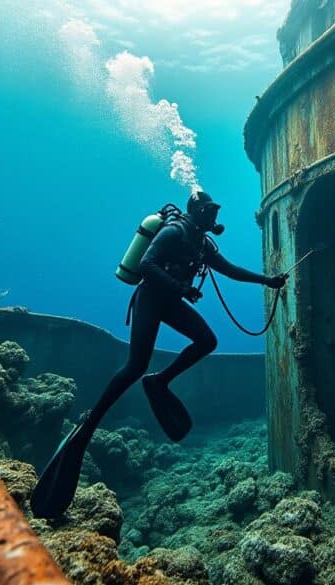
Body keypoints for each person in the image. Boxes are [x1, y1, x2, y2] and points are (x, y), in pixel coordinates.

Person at [31, 190, 286, 518]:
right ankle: (90, 423)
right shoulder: (174, 231)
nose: (214, 217)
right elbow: (147, 264)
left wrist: (268, 280)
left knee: (207, 340)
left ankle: (159, 382)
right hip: (151, 298)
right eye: (210, 210)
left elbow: (230, 269)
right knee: (134, 365)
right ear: (197, 210)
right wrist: (181, 288)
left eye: (215, 211)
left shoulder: (202, 244)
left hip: (171, 300)